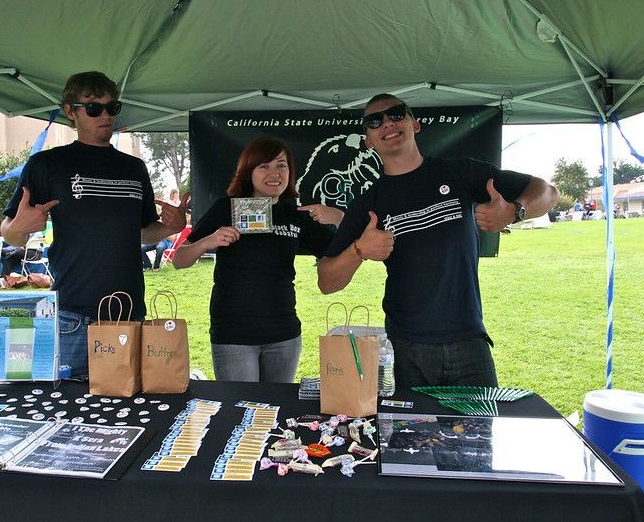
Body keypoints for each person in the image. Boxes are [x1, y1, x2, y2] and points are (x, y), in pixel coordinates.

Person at [317, 93, 558, 388]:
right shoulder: (368, 202)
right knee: (407, 435)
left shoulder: (461, 173)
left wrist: (515, 211)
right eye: (374, 121)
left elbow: (547, 192)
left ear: (414, 124)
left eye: (396, 114)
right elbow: (327, 282)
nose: (388, 124)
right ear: (369, 141)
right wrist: (358, 250)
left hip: (470, 342)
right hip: (407, 350)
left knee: (482, 434)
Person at [0, 71, 187, 378]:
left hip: (129, 312)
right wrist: (21, 226)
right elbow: (11, 234)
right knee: (71, 412)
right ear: (70, 111)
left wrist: (170, 228)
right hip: (73, 314)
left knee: (127, 407)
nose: (105, 116)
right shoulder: (47, 165)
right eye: (93, 108)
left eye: (111, 108)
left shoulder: (134, 168)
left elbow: (142, 232)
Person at [172, 136, 343, 382]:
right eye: (264, 166)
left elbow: (340, 252)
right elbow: (179, 259)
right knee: (239, 410)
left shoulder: (295, 214)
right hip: (233, 336)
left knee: (274, 413)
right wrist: (207, 242)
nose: (275, 173)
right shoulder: (226, 208)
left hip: (284, 334)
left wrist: (337, 217)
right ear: (248, 171)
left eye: (281, 165)